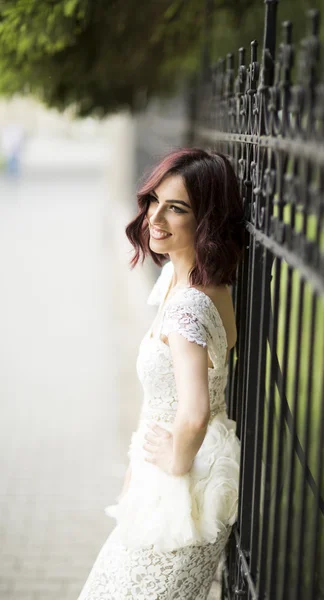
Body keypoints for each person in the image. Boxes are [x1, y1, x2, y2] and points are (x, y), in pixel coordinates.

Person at [77, 147, 245, 600]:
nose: (155, 217)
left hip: (181, 490)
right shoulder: (180, 279)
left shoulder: (189, 306)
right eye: (154, 201)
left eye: (177, 208)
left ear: (206, 219)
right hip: (162, 480)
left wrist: (172, 464)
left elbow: (193, 412)